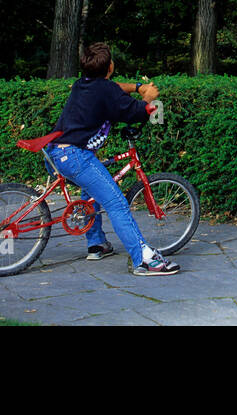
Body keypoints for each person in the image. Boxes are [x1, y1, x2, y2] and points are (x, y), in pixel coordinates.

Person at [43, 42, 181, 276]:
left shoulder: (82, 84)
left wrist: (137, 86)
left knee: (93, 189)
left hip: (56, 152)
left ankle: (96, 243)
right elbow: (136, 112)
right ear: (110, 67)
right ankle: (144, 260)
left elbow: (113, 87)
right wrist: (149, 99)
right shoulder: (105, 90)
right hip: (75, 156)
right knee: (117, 204)